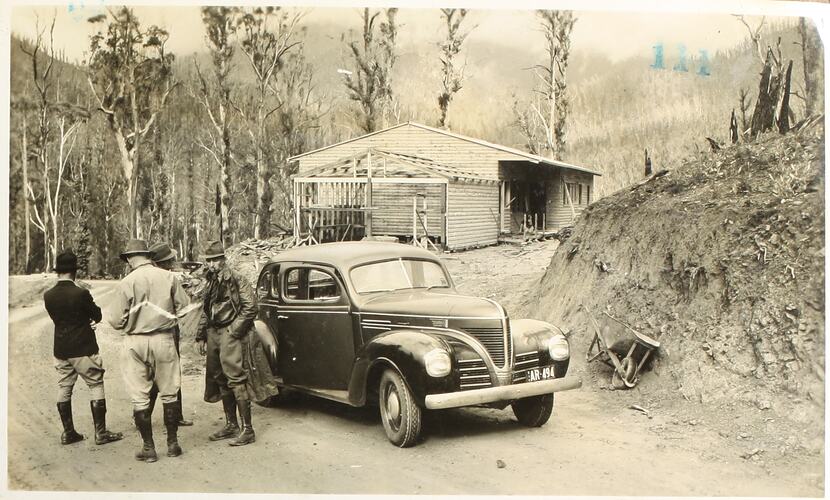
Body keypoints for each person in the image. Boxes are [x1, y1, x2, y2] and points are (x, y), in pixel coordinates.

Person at [107, 239, 190, 462]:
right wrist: (166, 317)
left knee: (140, 397)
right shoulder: (169, 277)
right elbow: (184, 307)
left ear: (129, 259)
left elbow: (114, 320)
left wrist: (133, 322)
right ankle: (172, 444)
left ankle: (149, 448)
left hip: (135, 341)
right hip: (164, 338)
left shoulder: (126, 282)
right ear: (147, 255)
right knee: (170, 392)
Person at [195, 240, 278, 447]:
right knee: (220, 377)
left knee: (235, 378)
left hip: (230, 333)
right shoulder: (211, 281)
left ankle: (247, 429)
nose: (211, 264)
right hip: (214, 333)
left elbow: (251, 307)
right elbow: (206, 309)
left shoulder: (237, 279)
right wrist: (200, 335)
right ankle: (231, 424)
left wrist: (233, 331)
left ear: (223, 259)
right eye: (209, 261)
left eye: (215, 260)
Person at [43, 251, 124, 446]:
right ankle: (101, 433)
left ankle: (68, 433)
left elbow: (60, 319)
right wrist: (88, 321)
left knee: (64, 387)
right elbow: (97, 315)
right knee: (95, 384)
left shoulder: (48, 295)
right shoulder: (81, 293)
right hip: (83, 348)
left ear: (58, 271)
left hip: (61, 349)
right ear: (74, 271)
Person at [147, 242, 193, 427]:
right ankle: (175, 417)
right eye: (170, 260)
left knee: (150, 373)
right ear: (164, 262)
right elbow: (185, 305)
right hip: (167, 330)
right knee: (172, 373)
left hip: (145, 332)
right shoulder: (169, 278)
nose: (172, 263)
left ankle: (143, 415)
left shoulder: (142, 278)